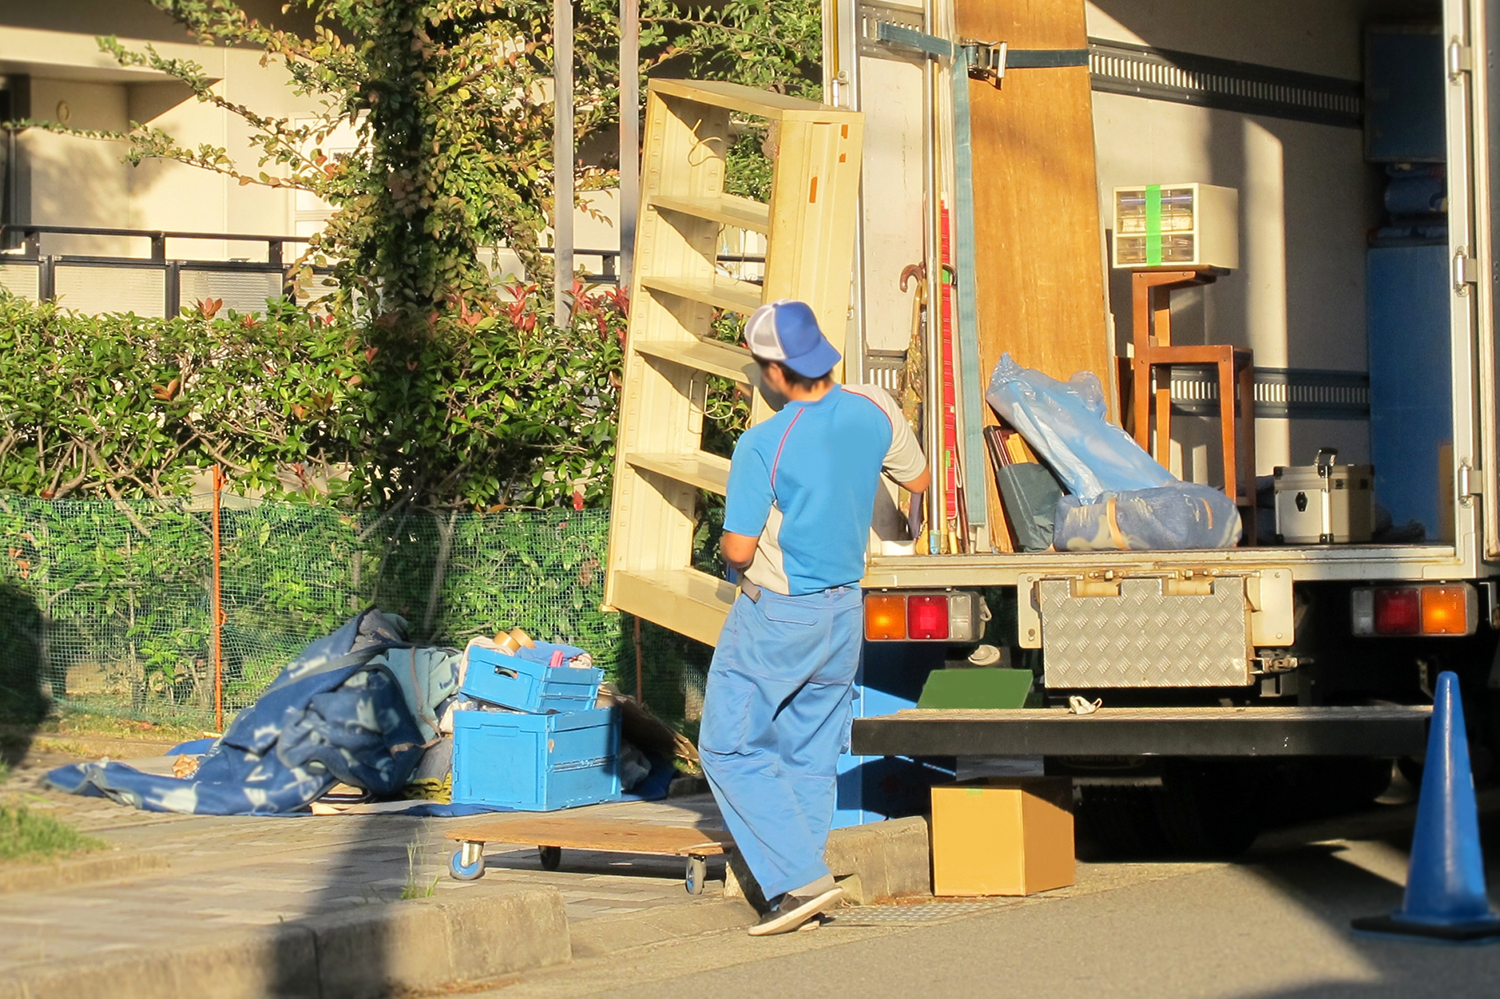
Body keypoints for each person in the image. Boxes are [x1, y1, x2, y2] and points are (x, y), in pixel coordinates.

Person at [698, 298, 929, 936]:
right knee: (808, 750)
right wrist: (903, 530)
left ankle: (797, 881)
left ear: (773, 372)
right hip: (843, 612)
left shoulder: (763, 444)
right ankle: (807, 886)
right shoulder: (877, 410)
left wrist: (725, 552)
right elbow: (919, 479)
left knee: (726, 745)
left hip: (778, 614)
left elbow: (740, 550)